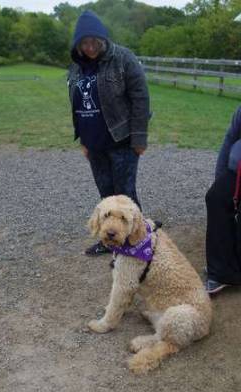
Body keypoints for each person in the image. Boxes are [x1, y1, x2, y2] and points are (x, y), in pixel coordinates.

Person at [67, 10, 150, 256]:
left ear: (103, 39)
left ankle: (139, 239)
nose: (90, 47)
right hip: (94, 145)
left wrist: (139, 138)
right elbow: (77, 104)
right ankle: (110, 240)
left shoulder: (123, 58)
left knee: (125, 196)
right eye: (85, 43)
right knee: (106, 197)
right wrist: (82, 139)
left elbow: (141, 98)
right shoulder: (75, 67)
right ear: (78, 44)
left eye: (95, 41)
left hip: (122, 140)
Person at [205, 106, 241, 293]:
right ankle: (220, 271)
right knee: (215, 198)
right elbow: (230, 139)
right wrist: (219, 177)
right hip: (237, 170)